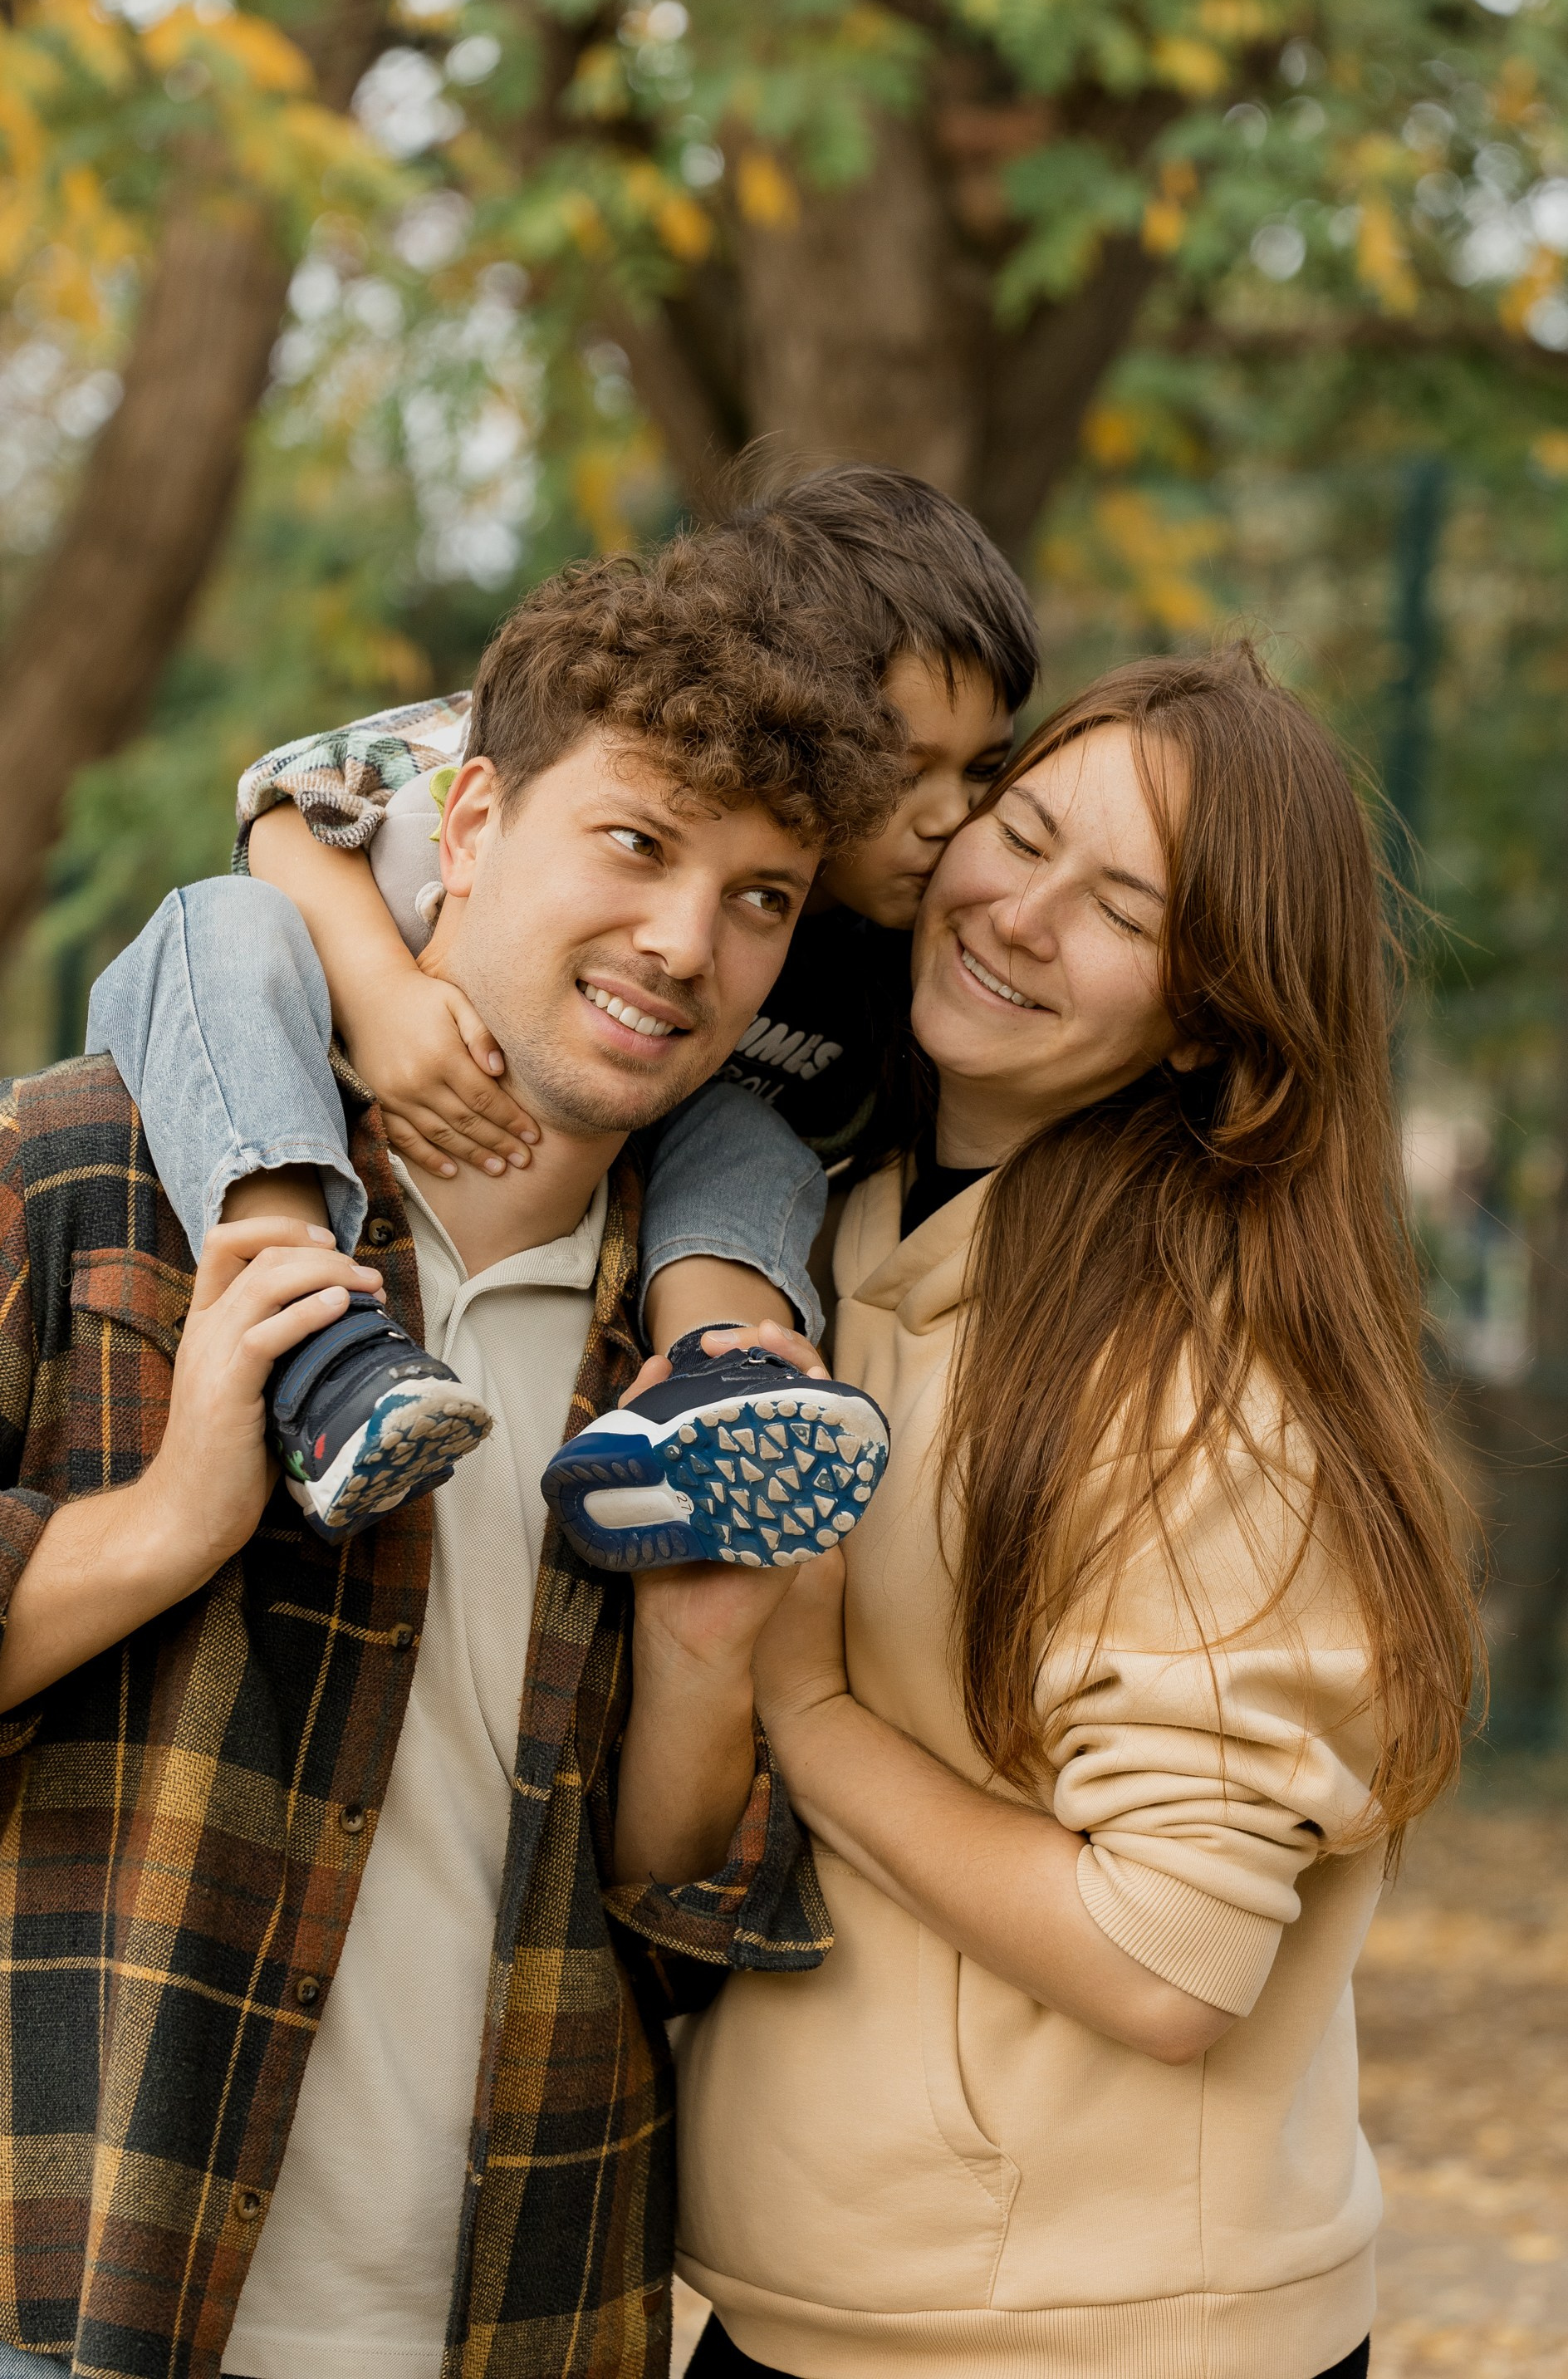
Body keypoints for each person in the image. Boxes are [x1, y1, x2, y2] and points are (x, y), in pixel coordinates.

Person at [0, 541, 894, 2379]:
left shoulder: (719, 1361)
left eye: (759, 898)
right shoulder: (85, 1183)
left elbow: (671, 1909)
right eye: (636, 844)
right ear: (468, 820)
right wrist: (168, 1524)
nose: (688, 943)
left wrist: (698, 1663)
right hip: (70, 2296)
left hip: (525, 2312)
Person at [666, 647, 1478, 2379]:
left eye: (1117, 905)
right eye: (1016, 833)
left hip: (1081, 2337)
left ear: (1208, 1012)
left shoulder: (1197, 1385)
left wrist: (804, 1714)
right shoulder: (809, 1225)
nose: (1016, 914)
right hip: (816, 2297)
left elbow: (1163, 1962)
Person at [99, 466, 1036, 1556]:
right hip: (312, 1067)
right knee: (224, 925)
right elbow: (282, 806)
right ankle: (311, 1339)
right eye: (909, 769)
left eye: (982, 773)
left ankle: (711, 1391)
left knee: (748, 1135)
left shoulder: (892, 957)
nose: (950, 818)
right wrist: (387, 996)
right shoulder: (598, 732)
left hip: (610, 1163)